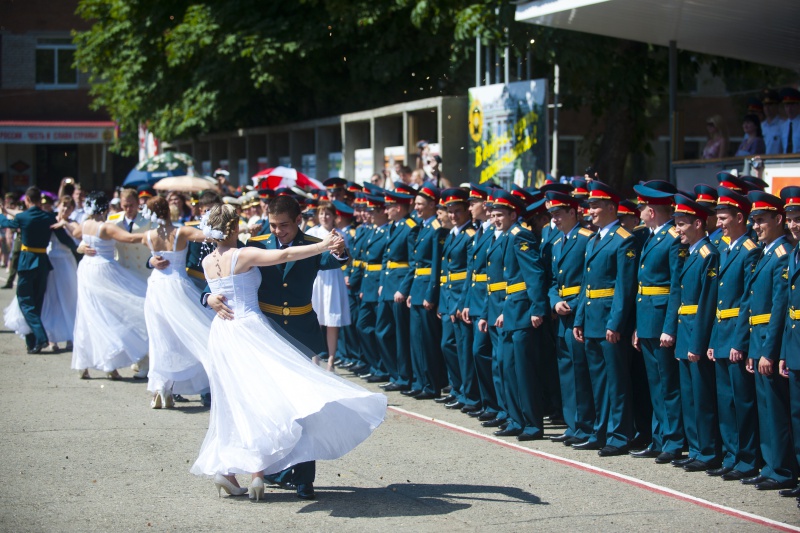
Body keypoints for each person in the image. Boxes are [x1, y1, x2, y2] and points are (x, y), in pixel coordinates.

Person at [190, 204, 386, 501]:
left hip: (251, 333)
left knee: (260, 403)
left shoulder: (212, 258)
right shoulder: (249, 250)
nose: (277, 230)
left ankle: (250, 472)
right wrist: (208, 298)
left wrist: (335, 249)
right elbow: (281, 256)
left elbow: (334, 262)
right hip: (256, 332)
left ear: (297, 221)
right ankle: (259, 472)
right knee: (262, 402)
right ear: (232, 229)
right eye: (273, 225)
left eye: (283, 225)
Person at [734, 191, 797, 491]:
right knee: (765, 409)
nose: (755, 226)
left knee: (775, 409)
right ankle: (771, 465)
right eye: (753, 221)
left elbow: (779, 309)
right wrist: (752, 348)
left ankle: (782, 469)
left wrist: (768, 351)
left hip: (769, 342)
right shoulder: (767, 253)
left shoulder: (782, 254)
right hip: (759, 342)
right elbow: (754, 307)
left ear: (778, 220)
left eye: (760, 221)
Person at [573, 181, 638, 456]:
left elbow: (624, 287)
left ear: (612, 207)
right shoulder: (594, 239)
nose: (591, 211)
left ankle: (620, 434)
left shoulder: (624, 239)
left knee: (616, 381)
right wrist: (579, 319)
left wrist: (616, 322)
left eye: (596, 206)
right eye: (590, 206)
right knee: (597, 381)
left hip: (609, 320)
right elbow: (586, 283)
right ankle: (600, 431)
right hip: (591, 318)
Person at [629, 181, 686, 465]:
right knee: (655, 384)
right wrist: (640, 326)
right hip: (648, 318)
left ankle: (673, 441)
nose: (639, 210)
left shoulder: (673, 239)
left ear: (652, 210)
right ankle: (659, 437)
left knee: (668, 385)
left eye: (642, 206)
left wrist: (669, 327)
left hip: (662, 319)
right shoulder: (653, 237)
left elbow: (676, 286)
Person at [708, 187, 760, 481]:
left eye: (725, 218)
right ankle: (731, 455)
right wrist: (716, 340)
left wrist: (739, 341)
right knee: (726, 401)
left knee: (742, 402)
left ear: (740, 217)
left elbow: (746, 302)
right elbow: (719, 301)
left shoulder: (749, 251)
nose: (720, 224)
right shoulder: (727, 249)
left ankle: (747, 458)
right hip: (722, 333)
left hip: (737, 335)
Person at [142, 196, 214, 408]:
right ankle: (169, 387)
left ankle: (161, 388)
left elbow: (127, 239)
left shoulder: (149, 234)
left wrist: (151, 260)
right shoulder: (181, 232)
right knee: (188, 334)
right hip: (176, 286)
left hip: (155, 287)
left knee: (159, 337)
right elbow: (208, 237)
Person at [67, 192, 149, 379]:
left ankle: (84, 365)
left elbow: (75, 233)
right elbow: (129, 238)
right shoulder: (106, 227)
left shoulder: (86, 224)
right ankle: (110, 365)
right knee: (107, 315)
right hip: (102, 270)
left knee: (88, 314)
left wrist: (82, 246)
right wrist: (152, 235)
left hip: (86, 268)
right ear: (105, 208)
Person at [672, 194, 721, 473]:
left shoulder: (708, 254)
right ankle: (696, 448)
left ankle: (708, 450)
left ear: (699, 224)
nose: (678, 229)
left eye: (682, 224)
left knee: (702, 398)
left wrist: (698, 343)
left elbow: (706, 304)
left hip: (695, 334)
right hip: (685, 331)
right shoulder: (691, 253)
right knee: (689, 397)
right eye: (677, 223)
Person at [545, 191, 596, 447]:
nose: (554, 219)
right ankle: (572, 423)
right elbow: (554, 282)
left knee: (580, 371)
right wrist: (555, 300)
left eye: (559, 214)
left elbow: (590, 281)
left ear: (573, 213)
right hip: (563, 313)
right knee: (566, 370)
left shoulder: (587, 239)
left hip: (579, 311)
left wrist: (573, 304)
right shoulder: (557, 243)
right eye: (552, 214)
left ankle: (586, 425)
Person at [0, 187, 77, 353]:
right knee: (37, 302)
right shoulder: (48, 217)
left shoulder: (23, 216)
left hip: (28, 261)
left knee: (25, 301)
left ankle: (40, 336)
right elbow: (65, 238)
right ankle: (33, 341)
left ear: (27, 199)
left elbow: (6, 223)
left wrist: (1, 213)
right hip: (43, 262)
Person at [306, 201, 351, 371]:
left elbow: (347, 257)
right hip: (317, 277)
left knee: (332, 319)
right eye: (322, 214)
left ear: (334, 217)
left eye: (328, 214)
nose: (324, 217)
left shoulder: (340, 234)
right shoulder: (312, 232)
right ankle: (315, 358)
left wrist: (340, 250)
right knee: (315, 318)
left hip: (333, 277)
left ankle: (331, 360)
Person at [779, 186, 800, 501]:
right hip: (795, 346)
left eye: (799, 218)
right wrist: (784, 351)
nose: (794, 225)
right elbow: (788, 310)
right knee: (797, 416)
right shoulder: (794, 253)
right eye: (791, 219)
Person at [761, 89, 785, 155]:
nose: (767, 108)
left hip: (776, 163)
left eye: (770, 104)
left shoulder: (783, 125)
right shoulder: (761, 126)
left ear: (777, 106)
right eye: (765, 105)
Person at [781, 88, 800, 154]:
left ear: (798, 105)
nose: (789, 109)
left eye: (792, 105)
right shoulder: (783, 126)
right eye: (787, 105)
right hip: (786, 161)